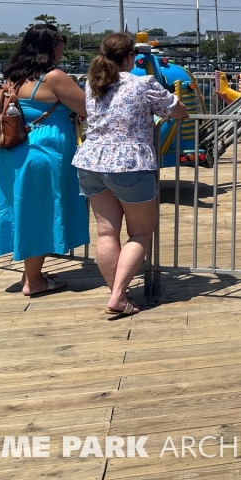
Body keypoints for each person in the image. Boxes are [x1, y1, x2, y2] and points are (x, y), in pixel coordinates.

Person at [72, 34, 188, 316]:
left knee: (106, 232)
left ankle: (118, 293)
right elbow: (178, 111)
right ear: (130, 58)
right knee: (140, 232)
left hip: (91, 161)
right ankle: (118, 295)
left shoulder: (92, 84)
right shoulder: (143, 84)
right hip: (130, 164)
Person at [0, 24, 89, 296]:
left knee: (23, 209)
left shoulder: (14, 76)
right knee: (40, 213)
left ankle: (31, 274)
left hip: (14, 149)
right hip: (44, 151)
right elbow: (87, 107)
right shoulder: (54, 77)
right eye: (61, 40)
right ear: (52, 45)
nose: (63, 45)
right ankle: (34, 281)